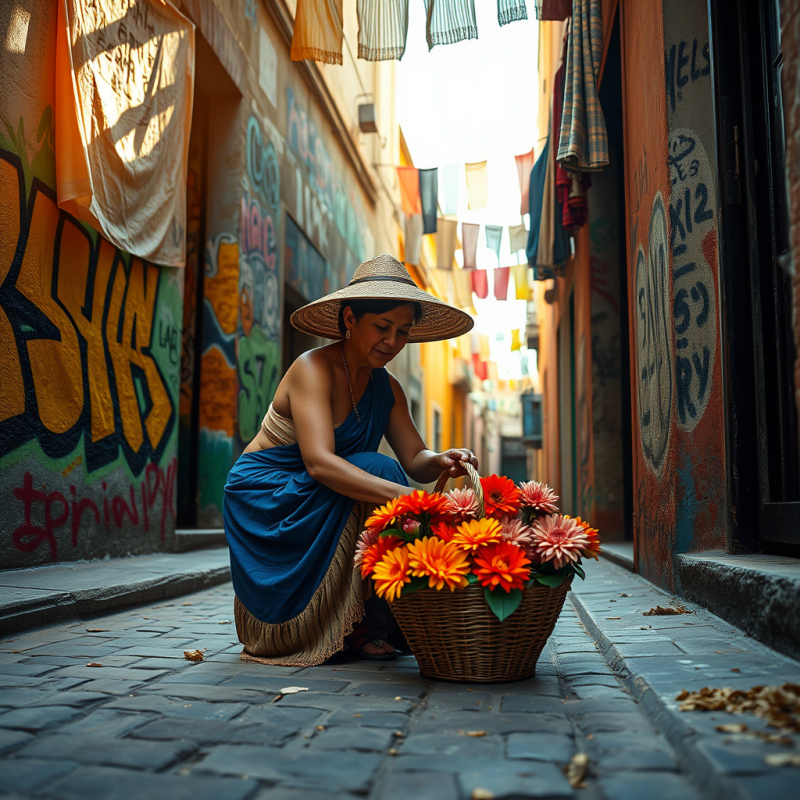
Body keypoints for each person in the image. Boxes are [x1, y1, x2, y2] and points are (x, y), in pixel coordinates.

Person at [224, 254, 478, 666]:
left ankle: (370, 619)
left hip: (322, 488)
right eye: (382, 327)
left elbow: (414, 457)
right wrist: (408, 500)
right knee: (376, 469)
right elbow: (320, 463)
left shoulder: (389, 388)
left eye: (403, 332)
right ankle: (360, 623)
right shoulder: (312, 369)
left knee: (380, 467)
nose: (392, 342)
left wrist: (443, 460)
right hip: (270, 494)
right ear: (349, 319)